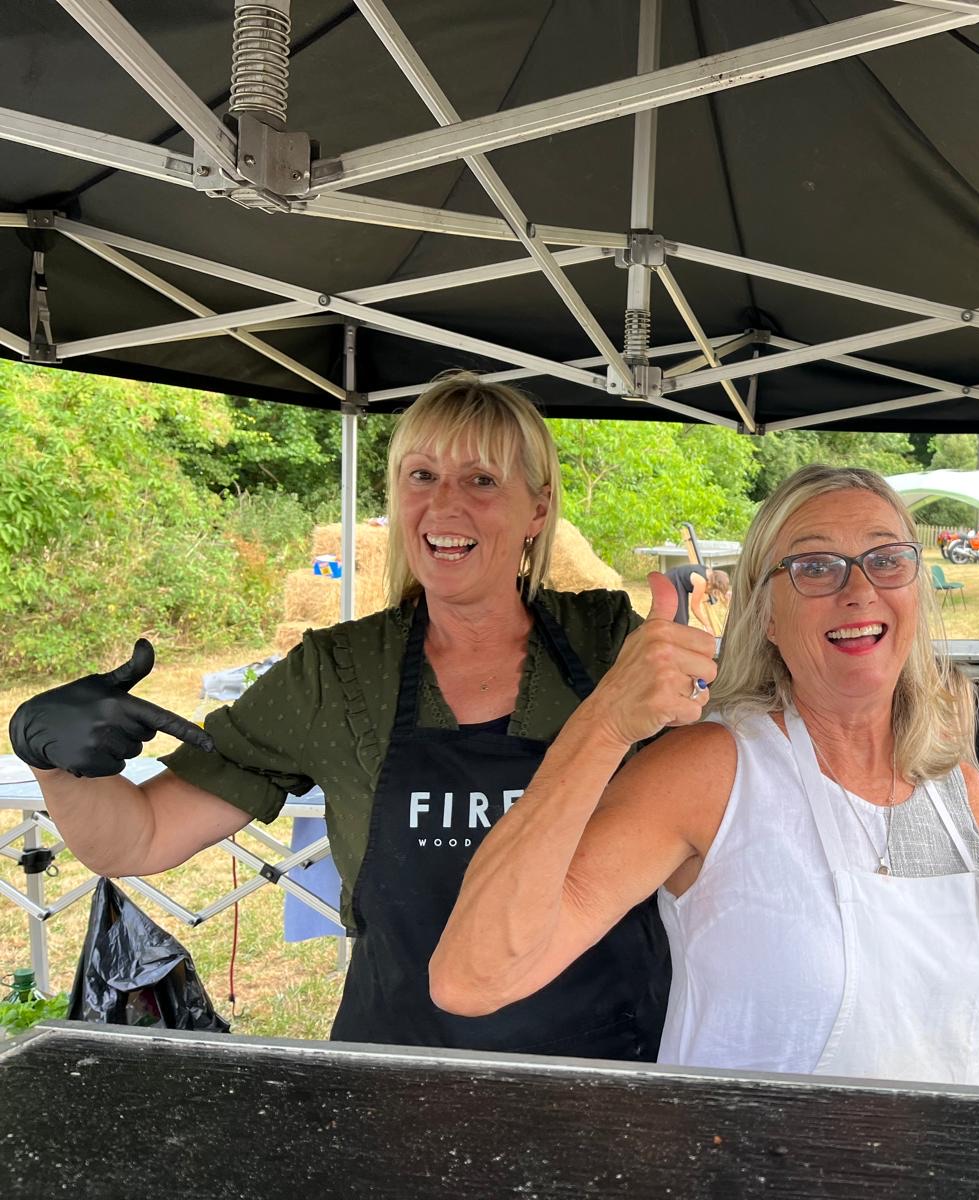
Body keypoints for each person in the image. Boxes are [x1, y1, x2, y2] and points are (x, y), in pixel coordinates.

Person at [6, 373, 712, 1059]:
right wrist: (52, 758)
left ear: (538, 508)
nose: (444, 506)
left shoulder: (609, 647)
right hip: (399, 1067)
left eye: (481, 480)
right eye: (422, 476)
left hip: (613, 1064)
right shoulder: (340, 673)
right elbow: (138, 837)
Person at [432, 465, 979, 1086]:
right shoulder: (712, 772)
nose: (858, 589)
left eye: (885, 559)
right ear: (766, 615)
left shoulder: (957, 794)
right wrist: (603, 725)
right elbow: (473, 977)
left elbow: (969, 1041)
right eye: (814, 566)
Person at [664, 563, 731, 632]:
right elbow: (695, 608)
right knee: (680, 621)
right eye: (713, 592)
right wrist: (707, 625)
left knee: (683, 620)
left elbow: (720, 584)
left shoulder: (710, 574)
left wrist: (725, 592)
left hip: (679, 582)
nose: (711, 594)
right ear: (711, 585)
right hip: (671, 581)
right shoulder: (701, 582)